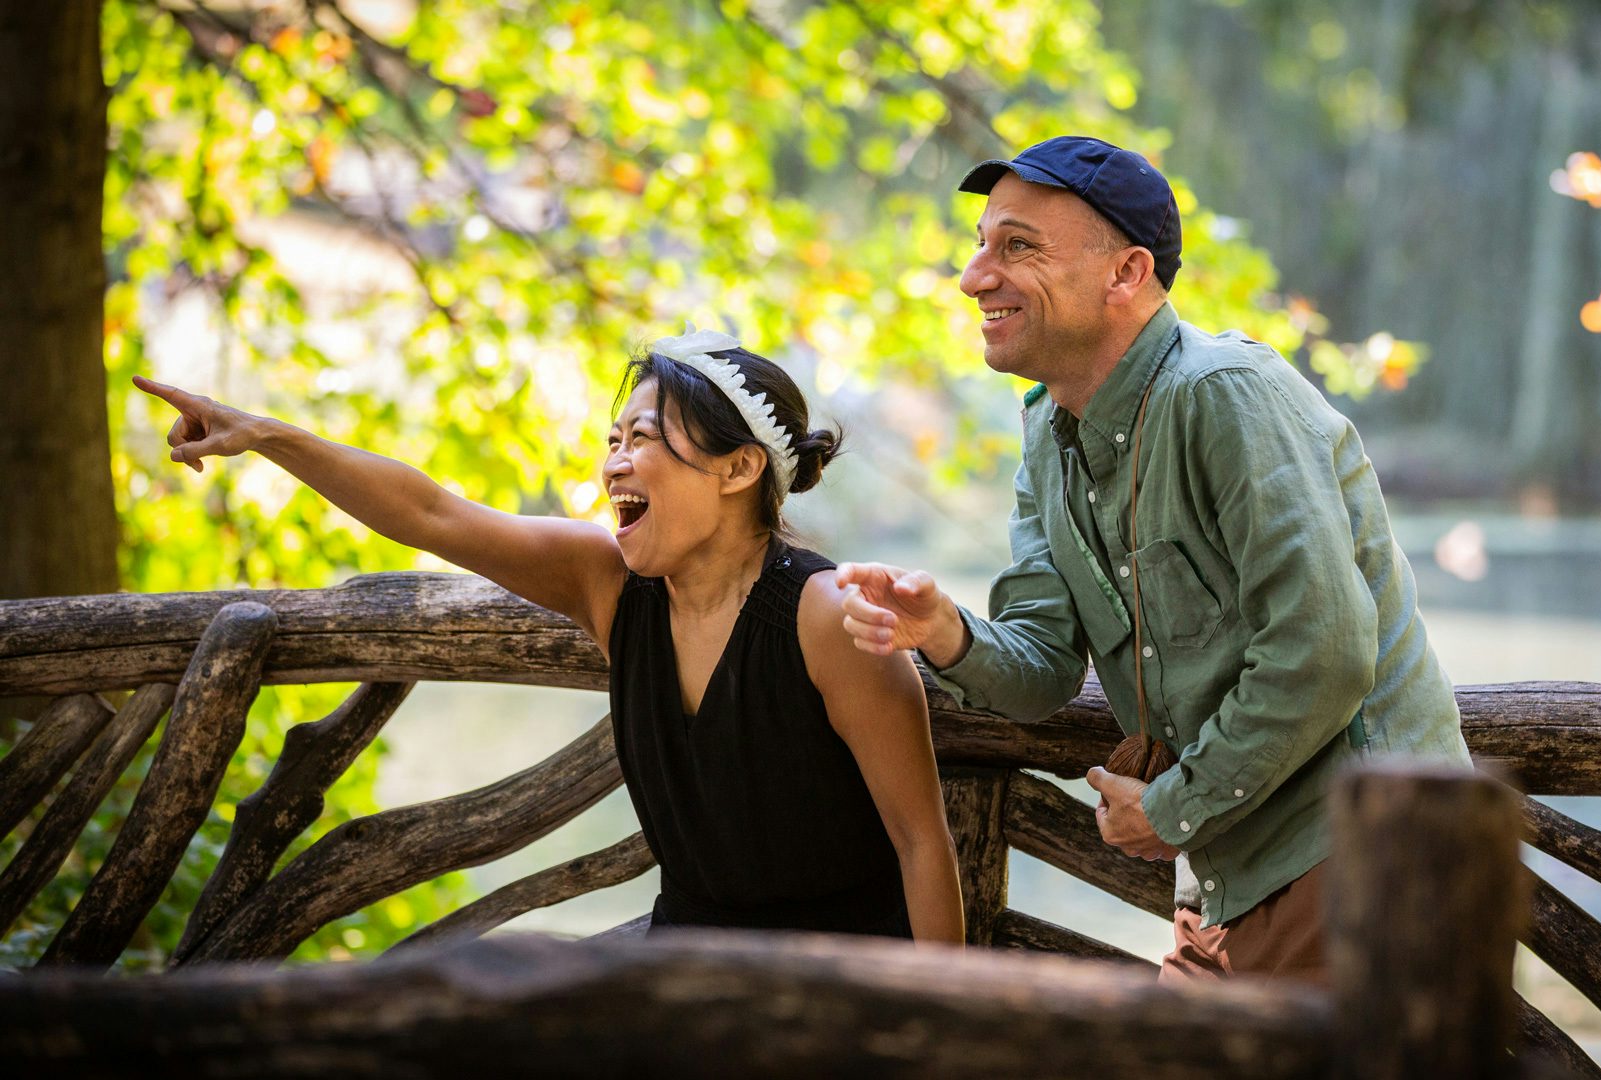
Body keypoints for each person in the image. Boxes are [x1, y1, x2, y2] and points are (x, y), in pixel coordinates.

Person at [837, 137, 1470, 983]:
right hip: (1224, 888)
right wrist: (945, 633)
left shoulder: (1222, 394)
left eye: (1017, 246)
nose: (973, 275)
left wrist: (1172, 809)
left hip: (1365, 864)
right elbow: (1043, 669)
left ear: (1127, 273)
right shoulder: (1045, 436)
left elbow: (1325, 652)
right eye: (982, 243)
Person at [135, 327, 965, 945]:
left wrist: (943, 1040)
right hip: (683, 969)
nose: (614, 464)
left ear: (739, 469)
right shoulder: (608, 581)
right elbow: (432, 514)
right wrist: (267, 435)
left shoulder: (826, 615)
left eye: (643, 439)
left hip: (841, 985)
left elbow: (922, 843)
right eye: (614, 441)